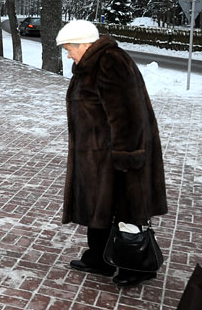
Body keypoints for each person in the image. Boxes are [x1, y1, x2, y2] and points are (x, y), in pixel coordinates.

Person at [56, 20, 167, 287]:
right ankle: (100, 259)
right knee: (101, 207)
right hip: (98, 155)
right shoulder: (91, 64)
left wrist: (127, 155)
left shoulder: (110, 62)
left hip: (118, 155)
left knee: (127, 213)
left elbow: (128, 113)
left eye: (69, 48)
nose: (68, 54)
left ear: (84, 44)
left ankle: (136, 267)